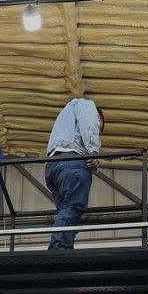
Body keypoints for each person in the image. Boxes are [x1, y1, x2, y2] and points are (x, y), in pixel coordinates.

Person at [45, 99, 104, 250]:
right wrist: (93, 151)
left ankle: (62, 246)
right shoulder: (87, 106)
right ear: (98, 116)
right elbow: (89, 124)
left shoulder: (65, 119)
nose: (98, 130)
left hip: (52, 167)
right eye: (99, 126)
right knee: (73, 205)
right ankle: (59, 248)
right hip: (72, 162)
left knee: (66, 210)